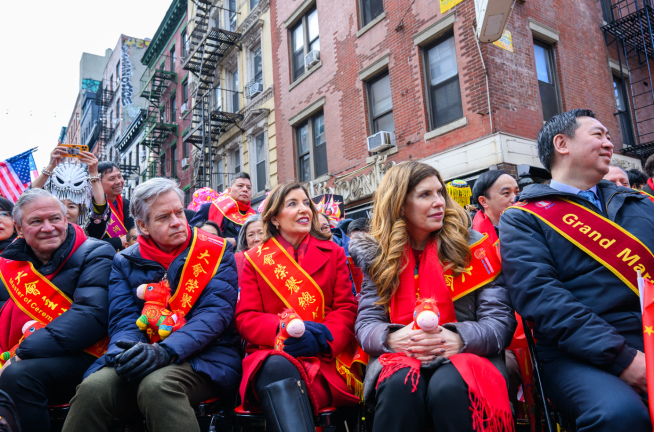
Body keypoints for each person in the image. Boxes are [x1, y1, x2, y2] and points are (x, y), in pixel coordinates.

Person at [500, 109, 654, 432]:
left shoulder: (639, 204)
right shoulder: (524, 218)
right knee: (620, 415)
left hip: (648, 334)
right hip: (577, 354)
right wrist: (625, 359)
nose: (609, 143)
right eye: (598, 135)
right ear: (562, 144)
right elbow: (543, 301)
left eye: (609, 136)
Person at [62, 178, 241, 432]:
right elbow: (123, 319)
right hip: (145, 350)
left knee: (158, 386)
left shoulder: (217, 250)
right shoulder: (123, 260)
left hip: (207, 357)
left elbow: (214, 315)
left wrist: (166, 351)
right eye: (164, 217)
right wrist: (132, 352)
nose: (178, 221)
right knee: (93, 388)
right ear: (143, 226)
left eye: (179, 212)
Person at [350, 161, 516, 432]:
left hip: (469, 353)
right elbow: (366, 323)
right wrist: (389, 338)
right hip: (400, 356)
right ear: (400, 205)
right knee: (400, 385)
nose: (439, 202)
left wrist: (458, 337)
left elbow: (499, 322)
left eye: (440, 192)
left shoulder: (474, 247)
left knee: (447, 387)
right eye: (425, 195)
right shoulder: (378, 257)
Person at [235, 182, 361, 432]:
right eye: (292, 204)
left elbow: (346, 307)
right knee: (278, 369)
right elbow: (246, 317)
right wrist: (282, 330)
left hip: (325, 356)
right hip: (273, 352)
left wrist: (323, 338)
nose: (304, 209)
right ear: (274, 219)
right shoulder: (254, 260)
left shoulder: (334, 252)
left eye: (306, 203)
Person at [0, 188, 114, 431]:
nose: (48, 227)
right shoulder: (9, 264)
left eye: (54, 219)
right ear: (19, 229)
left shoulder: (95, 252)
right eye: (36, 221)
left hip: (85, 354)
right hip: (26, 351)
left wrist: (22, 352)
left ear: (65, 220)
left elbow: (90, 317)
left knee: (18, 376)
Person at [470, 169, 523, 414]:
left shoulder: (529, 228)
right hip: (492, 331)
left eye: (516, 192)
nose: (515, 198)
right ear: (484, 201)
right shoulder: (470, 243)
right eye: (506, 193)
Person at [32, 146, 109, 240]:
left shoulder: (88, 236)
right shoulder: (40, 233)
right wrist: (50, 167)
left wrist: (94, 174)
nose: (64, 211)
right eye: (59, 205)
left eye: (71, 206)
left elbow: (100, 211)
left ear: (80, 212)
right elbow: (29, 200)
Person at [190, 173, 256, 247]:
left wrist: (236, 240)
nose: (245, 190)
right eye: (240, 186)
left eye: (249, 188)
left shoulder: (256, 215)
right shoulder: (209, 208)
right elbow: (191, 233)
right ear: (229, 190)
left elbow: (263, 237)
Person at [98, 162, 135, 251]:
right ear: (98, 182)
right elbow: (90, 241)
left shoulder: (128, 204)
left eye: (119, 177)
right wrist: (118, 242)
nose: (118, 182)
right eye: (112, 179)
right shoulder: (93, 209)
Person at [233, 214, 263, 282]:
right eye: (251, 235)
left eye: (261, 233)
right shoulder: (238, 258)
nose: (256, 239)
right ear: (245, 240)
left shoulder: (280, 252)